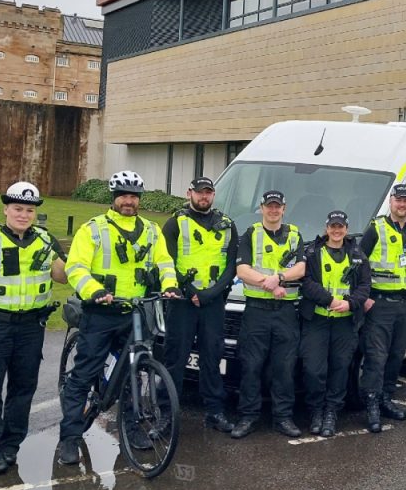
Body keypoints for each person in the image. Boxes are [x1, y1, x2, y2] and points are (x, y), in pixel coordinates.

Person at [57, 171, 180, 466]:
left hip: (135, 312)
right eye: (124, 195)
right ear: (114, 198)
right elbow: (75, 267)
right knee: (84, 374)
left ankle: (132, 428)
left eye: (134, 196)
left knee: (133, 373)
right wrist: (94, 290)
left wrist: (169, 284)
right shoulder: (94, 229)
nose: (129, 201)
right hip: (101, 312)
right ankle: (70, 438)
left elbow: (164, 262)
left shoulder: (152, 230)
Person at [0, 181, 67, 474]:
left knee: (23, 389)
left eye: (29, 210)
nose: (23, 214)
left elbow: (62, 277)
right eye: (18, 208)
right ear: (6, 209)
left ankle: (10, 445)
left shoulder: (45, 241)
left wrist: (75, 259)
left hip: (32, 326)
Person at [160, 176, 238, 434]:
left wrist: (211, 293)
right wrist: (190, 290)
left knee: (211, 358)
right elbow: (167, 261)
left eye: (208, 192)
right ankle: (166, 414)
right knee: (175, 359)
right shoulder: (175, 223)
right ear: (189, 193)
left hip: (213, 303)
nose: (203, 197)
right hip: (182, 302)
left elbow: (230, 267)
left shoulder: (226, 225)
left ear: (213, 195)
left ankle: (215, 411)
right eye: (199, 192)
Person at [230, 190, 305, 439]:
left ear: (284, 208)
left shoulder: (294, 234)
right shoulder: (251, 233)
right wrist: (269, 282)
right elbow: (242, 270)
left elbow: (302, 268)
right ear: (261, 208)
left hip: (285, 312)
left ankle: (282, 417)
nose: (273, 210)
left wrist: (279, 277)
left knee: (284, 368)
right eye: (269, 206)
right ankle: (248, 416)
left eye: (278, 206)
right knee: (251, 365)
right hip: (257, 311)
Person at [358, 183, 406, 433]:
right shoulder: (376, 228)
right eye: (398, 200)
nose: (402, 205)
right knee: (376, 358)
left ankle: (386, 399)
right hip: (379, 304)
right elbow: (358, 264)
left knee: (397, 356)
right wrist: (364, 298)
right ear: (391, 202)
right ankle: (372, 405)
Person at [297, 210, 371, 437]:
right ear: (326, 228)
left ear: (346, 229)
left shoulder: (358, 255)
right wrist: (328, 300)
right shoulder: (312, 252)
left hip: (345, 322)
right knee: (313, 369)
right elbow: (306, 282)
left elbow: (364, 287)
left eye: (341, 226)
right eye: (333, 226)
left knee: (340, 369)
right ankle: (316, 411)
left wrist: (349, 304)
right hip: (317, 320)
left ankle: (331, 412)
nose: (336, 230)